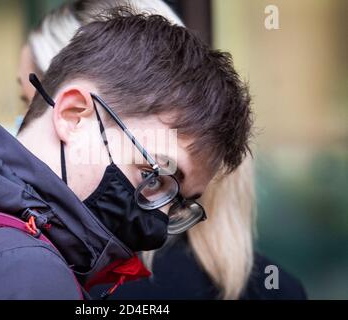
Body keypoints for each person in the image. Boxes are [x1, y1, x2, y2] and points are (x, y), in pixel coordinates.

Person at [17, 0, 306, 299]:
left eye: (30, 103)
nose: (27, 125)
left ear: (77, 111)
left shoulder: (72, 283)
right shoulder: (276, 287)